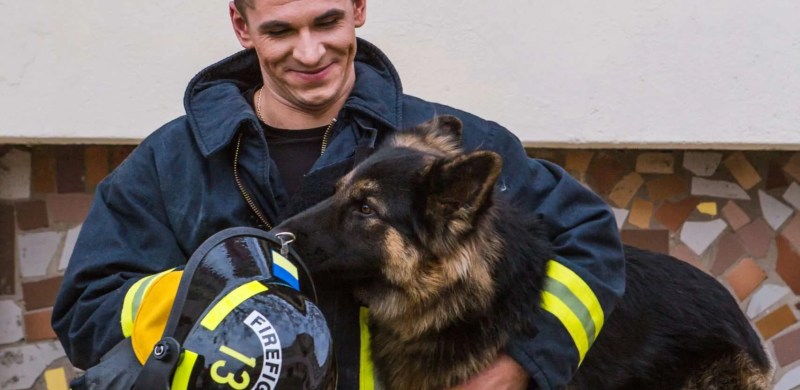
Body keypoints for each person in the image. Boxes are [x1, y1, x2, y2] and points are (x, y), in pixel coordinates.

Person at [52, 1, 625, 389]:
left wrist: (521, 364)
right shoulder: (171, 161)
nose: (308, 53)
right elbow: (86, 311)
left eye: (326, 22)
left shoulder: (438, 145)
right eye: (280, 29)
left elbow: (591, 242)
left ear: (357, 8)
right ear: (241, 25)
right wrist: (203, 304)